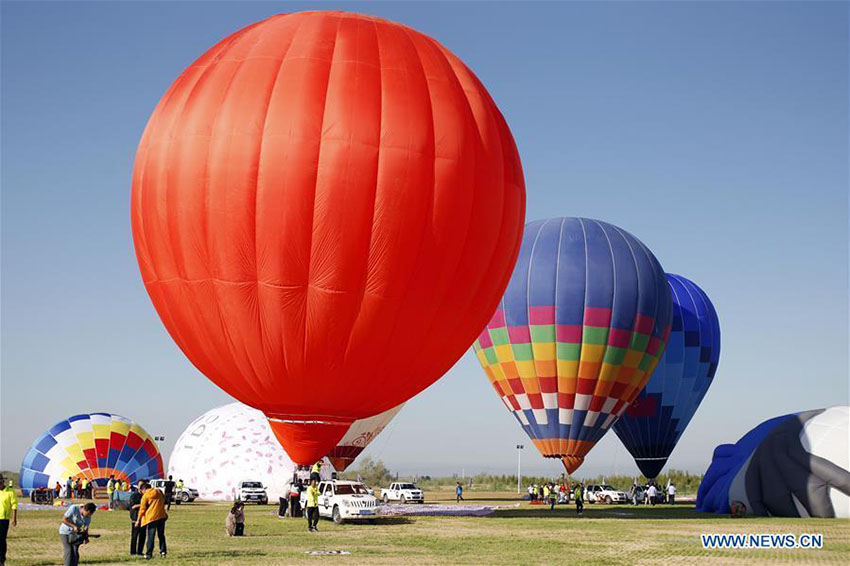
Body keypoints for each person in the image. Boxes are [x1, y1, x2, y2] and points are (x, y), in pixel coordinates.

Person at [136, 481, 167, 559]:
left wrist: (138, 520)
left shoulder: (145, 496)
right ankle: (163, 552)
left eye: (141, 491)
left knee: (151, 536)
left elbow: (142, 509)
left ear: (144, 489)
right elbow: (164, 500)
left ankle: (149, 554)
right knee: (161, 535)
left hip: (151, 518)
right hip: (161, 516)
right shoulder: (159, 492)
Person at [0, 474, 19, 566]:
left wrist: (14, 518)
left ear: (2, 482)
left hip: (3, 519)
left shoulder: (10, 492)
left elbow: (14, 505)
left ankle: (1, 560)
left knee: (1, 540)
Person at [128, 484, 146, 556]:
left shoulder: (145, 496)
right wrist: (143, 505)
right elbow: (133, 506)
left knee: (143, 536)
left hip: (144, 518)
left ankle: (140, 551)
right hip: (135, 518)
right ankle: (133, 552)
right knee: (135, 536)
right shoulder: (134, 496)